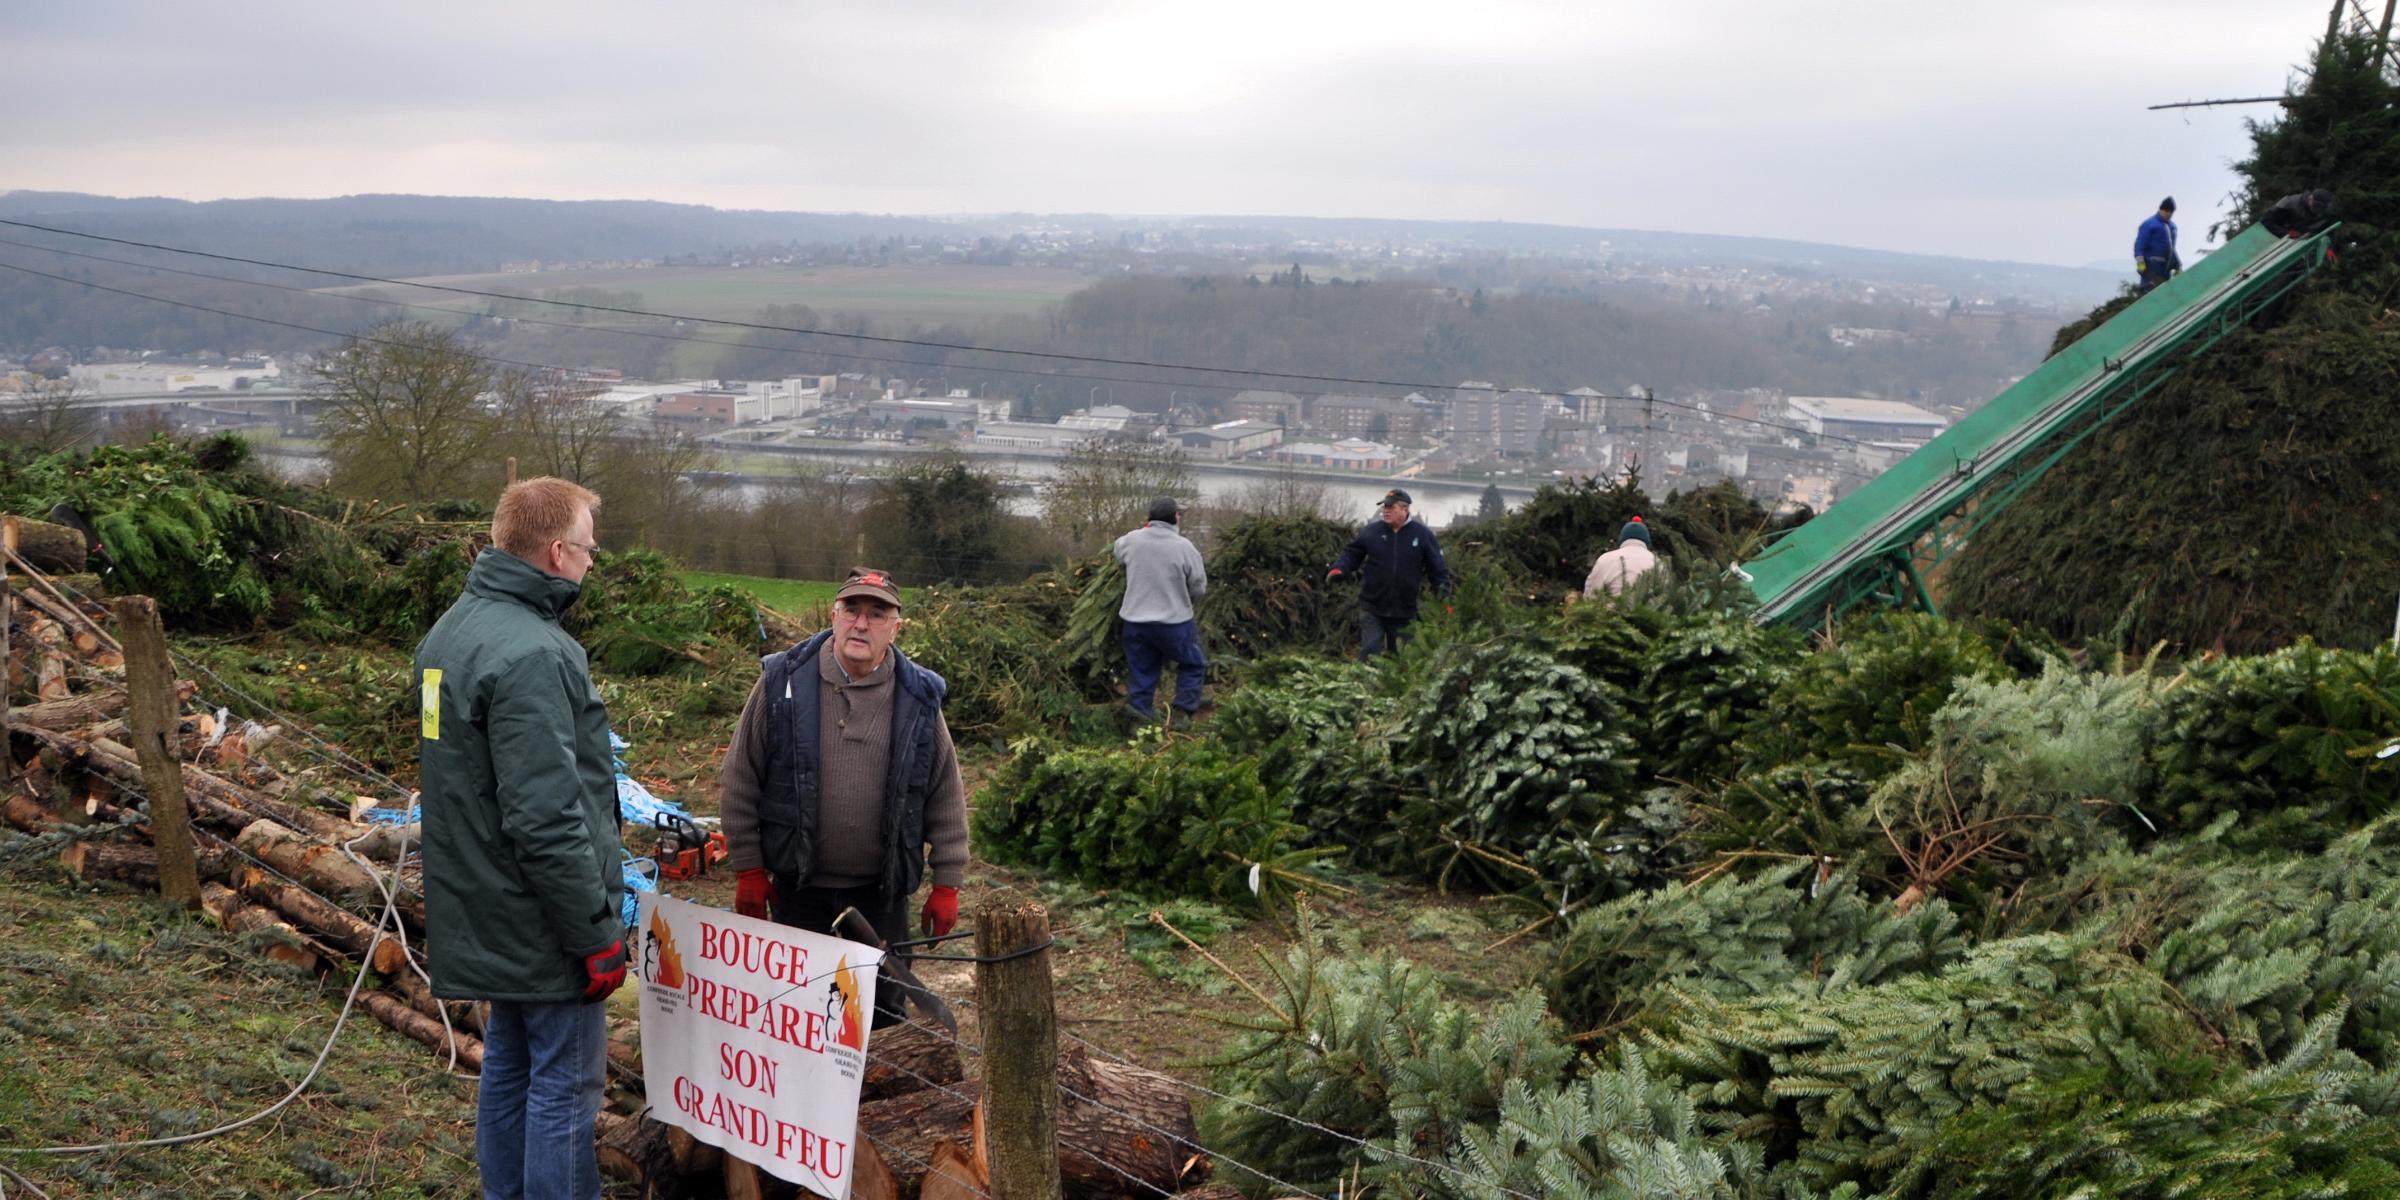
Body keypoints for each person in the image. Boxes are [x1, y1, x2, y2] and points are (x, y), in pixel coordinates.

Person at [416, 476, 625, 1200]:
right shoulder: (537, 653)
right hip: (539, 917)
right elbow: (545, 816)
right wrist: (593, 930)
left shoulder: (454, 629)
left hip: (482, 904)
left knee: (508, 1064)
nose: (595, 562)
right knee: (566, 1087)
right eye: (590, 548)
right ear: (559, 551)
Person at [720, 567, 968, 1028]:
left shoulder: (918, 696)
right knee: (799, 1014)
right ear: (834, 616)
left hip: (882, 894)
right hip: (799, 889)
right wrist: (749, 870)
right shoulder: (781, 684)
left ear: (895, 627)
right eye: (852, 610)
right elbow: (740, 778)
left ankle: (878, 1102)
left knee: (879, 1016)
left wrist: (948, 883)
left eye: (877, 614)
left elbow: (945, 793)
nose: (861, 623)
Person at [1112, 496, 1208, 722]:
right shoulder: (1184, 547)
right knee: (1193, 663)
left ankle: (1139, 719)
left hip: (1135, 622)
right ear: (1175, 517)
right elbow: (1199, 587)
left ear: (1150, 518)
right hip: (1174, 623)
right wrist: (1186, 600)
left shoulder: (1131, 541)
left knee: (1142, 671)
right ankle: (1182, 713)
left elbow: (1118, 554)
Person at [1327, 488, 1453, 658]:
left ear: (1405, 509)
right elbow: (1352, 553)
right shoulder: (1371, 531)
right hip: (1372, 606)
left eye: (1391, 508)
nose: (1385, 511)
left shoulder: (1422, 535)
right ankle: (1365, 683)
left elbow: (1438, 570)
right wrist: (1339, 568)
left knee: (1401, 657)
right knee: (1370, 650)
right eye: (1384, 507)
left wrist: (1444, 599)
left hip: (1405, 610)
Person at [1583, 516, 1661, 596]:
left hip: (1611, 607)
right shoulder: (1658, 562)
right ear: (1646, 541)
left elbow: (1591, 594)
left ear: (1622, 539)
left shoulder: (1605, 559)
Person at [2135, 197, 2181, 293]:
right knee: (2149, 294)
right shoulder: (2149, 225)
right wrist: (2141, 264)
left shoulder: (2172, 227)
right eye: (2166, 211)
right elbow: (2139, 246)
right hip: (2151, 269)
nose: (2169, 214)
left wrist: (2177, 264)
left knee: (2165, 295)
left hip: (2166, 270)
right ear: (2161, 209)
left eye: (2171, 212)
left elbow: (2171, 248)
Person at [2262, 188, 2335, 238]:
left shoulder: (2326, 213)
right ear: (2310, 198)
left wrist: (2329, 248)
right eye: (2316, 205)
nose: (2317, 210)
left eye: (2320, 207)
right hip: (2275, 238)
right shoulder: (2289, 203)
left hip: (2300, 242)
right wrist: (2286, 233)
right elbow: (2266, 221)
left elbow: (2329, 232)